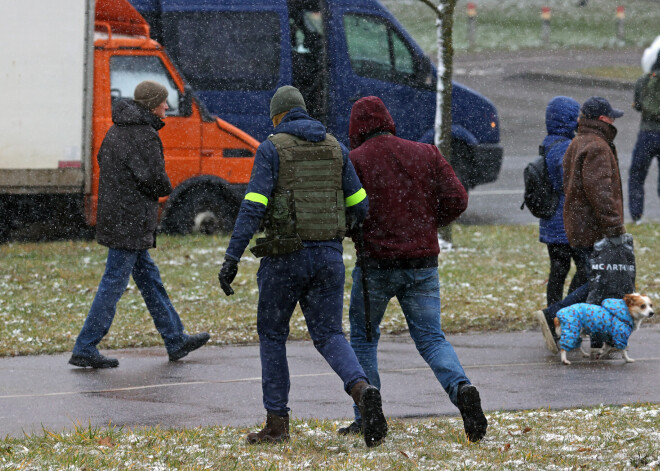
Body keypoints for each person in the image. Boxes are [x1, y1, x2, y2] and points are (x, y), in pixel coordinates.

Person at [217, 86, 388, 448]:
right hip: (328, 257)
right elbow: (359, 204)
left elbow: (253, 206)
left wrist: (232, 257)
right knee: (329, 334)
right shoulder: (335, 148)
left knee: (274, 335)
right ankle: (362, 389)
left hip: (284, 259)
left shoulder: (271, 149)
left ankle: (277, 424)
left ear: (277, 117)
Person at [337, 96, 488, 443]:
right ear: (388, 120)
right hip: (422, 264)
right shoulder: (426, 153)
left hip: (375, 266)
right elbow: (458, 199)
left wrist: (360, 232)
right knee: (432, 338)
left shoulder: (355, 161)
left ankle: (367, 413)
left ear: (356, 129)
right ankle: (462, 388)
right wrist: (425, 225)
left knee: (363, 338)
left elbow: (346, 213)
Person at [69, 81, 210, 369]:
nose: (167, 107)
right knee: (113, 283)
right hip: (129, 222)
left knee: (149, 280)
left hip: (119, 217)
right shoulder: (143, 135)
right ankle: (85, 345)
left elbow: (105, 163)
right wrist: (167, 187)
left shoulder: (117, 129)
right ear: (151, 105)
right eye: (163, 102)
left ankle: (175, 338)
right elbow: (154, 179)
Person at [535, 96, 626, 354]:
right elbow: (600, 192)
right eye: (611, 116)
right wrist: (614, 228)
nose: (614, 120)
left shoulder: (577, 142)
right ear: (602, 119)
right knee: (600, 282)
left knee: (593, 280)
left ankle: (599, 337)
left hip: (578, 226)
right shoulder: (597, 146)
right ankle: (556, 315)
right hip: (594, 228)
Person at [538, 96, 588, 307]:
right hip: (568, 222)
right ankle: (565, 312)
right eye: (577, 116)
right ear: (568, 119)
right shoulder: (567, 147)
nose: (580, 120)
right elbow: (568, 183)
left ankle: (553, 316)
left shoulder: (549, 143)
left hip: (552, 223)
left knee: (558, 270)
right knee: (587, 269)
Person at [628, 49, 660, 223]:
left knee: (637, 175)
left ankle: (636, 215)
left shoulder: (645, 80)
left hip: (647, 133)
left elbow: (638, 105)